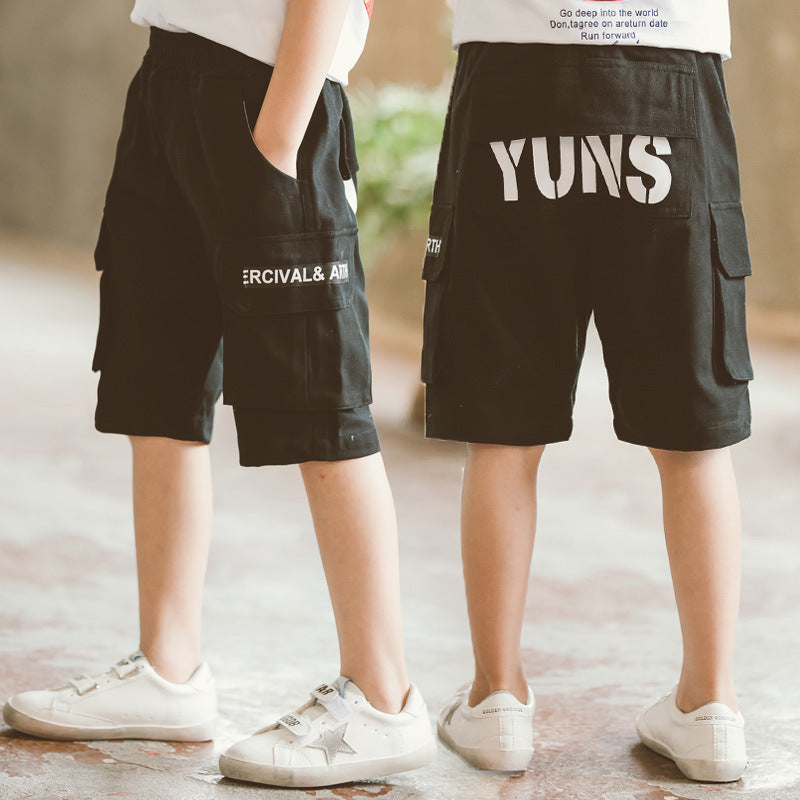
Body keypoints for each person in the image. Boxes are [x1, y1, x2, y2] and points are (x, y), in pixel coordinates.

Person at [2, 0, 436, 788]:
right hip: (168, 80)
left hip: (270, 92)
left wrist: (277, 139)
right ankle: (168, 669)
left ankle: (383, 694)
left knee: (320, 398)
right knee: (156, 386)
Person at [423, 0, 752, 783]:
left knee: (503, 431)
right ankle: (709, 708)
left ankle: (496, 699)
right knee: (693, 435)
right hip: (667, 74)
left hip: (513, 72)